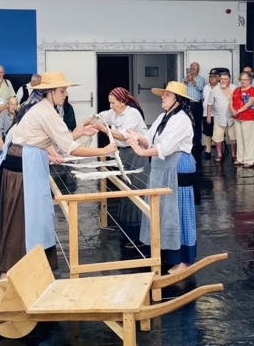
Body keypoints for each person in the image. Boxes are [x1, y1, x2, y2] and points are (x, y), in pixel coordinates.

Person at [0, 71, 117, 280]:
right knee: (22, 217)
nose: (65, 95)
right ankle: (8, 274)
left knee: (31, 215)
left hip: (24, 160)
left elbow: (50, 139)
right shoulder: (46, 112)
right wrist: (103, 151)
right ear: (50, 92)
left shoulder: (34, 106)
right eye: (62, 91)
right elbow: (70, 148)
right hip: (24, 165)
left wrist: (79, 133)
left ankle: (28, 267)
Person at [127, 81, 196, 274]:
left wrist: (141, 152)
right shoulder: (163, 116)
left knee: (177, 211)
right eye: (163, 94)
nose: (163, 97)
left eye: (167, 95)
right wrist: (135, 137)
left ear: (178, 100)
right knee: (163, 211)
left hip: (177, 167)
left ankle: (181, 259)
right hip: (162, 166)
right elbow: (149, 138)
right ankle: (165, 252)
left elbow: (166, 146)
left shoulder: (181, 120)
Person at [85, 87, 149, 247]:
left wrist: (103, 128)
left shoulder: (132, 114)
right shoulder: (112, 113)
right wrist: (84, 126)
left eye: (113, 103)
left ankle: (139, 237)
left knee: (136, 191)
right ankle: (127, 232)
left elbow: (122, 135)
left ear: (123, 102)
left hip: (137, 154)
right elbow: (96, 117)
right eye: (110, 103)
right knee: (126, 190)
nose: (111, 105)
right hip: (124, 154)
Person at [231, 72, 254, 168]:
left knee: (248, 138)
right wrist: (233, 110)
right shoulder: (236, 90)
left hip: (248, 117)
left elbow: (249, 103)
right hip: (237, 117)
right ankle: (240, 158)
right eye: (241, 79)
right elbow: (231, 101)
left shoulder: (252, 90)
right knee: (239, 138)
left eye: (245, 79)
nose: (243, 81)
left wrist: (238, 111)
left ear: (250, 80)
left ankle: (249, 160)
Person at [207, 72, 236, 162]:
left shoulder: (235, 88)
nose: (223, 80)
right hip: (219, 117)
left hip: (232, 117)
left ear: (229, 79)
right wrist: (208, 116)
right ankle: (219, 154)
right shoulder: (214, 90)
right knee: (217, 137)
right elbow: (209, 104)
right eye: (222, 79)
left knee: (234, 137)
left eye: (225, 79)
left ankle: (234, 154)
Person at [183, 62, 205, 156]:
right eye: (191, 67)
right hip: (187, 103)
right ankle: (188, 143)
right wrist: (186, 81)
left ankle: (198, 143)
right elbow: (182, 88)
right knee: (188, 124)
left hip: (197, 103)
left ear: (198, 69)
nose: (192, 69)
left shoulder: (201, 79)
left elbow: (201, 89)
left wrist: (192, 81)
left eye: (194, 67)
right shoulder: (186, 78)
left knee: (197, 124)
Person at [202, 69, 220, 159]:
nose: (212, 78)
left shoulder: (221, 87)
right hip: (206, 113)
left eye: (214, 77)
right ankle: (208, 151)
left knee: (218, 134)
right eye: (210, 77)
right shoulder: (206, 87)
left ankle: (219, 152)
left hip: (217, 114)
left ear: (218, 78)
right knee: (207, 133)